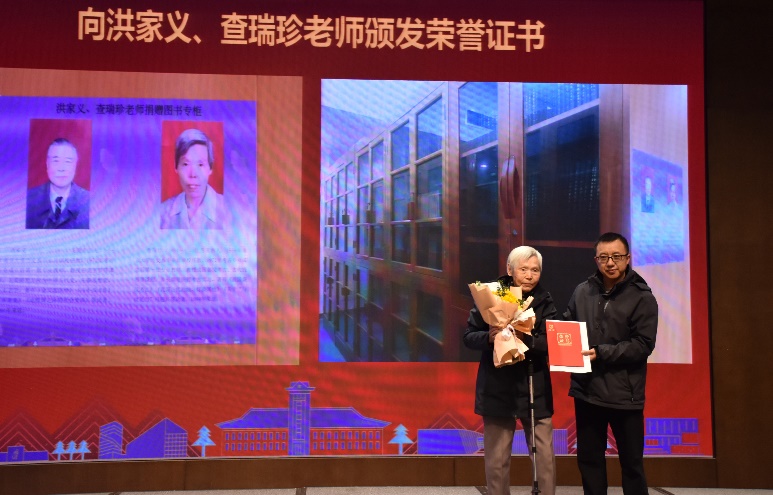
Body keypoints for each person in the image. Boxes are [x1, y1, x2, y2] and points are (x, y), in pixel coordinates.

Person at [563, 232, 658, 495]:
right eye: (604, 257)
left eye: (616, 256)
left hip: (625, 394)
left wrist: (601, 353)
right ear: (596, 260)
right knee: (589, 460)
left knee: (632, 464)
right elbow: (567, 325)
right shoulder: (582, 291)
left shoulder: (642, 296)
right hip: (587, 390)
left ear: (628, 258)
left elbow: (643, 345)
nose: (610, 263)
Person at [463, 246, 558, 495]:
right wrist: (489, 337)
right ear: (509, 270)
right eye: (523, 269)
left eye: (535, 270)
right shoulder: (491, 296)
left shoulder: (545, 300)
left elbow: (553, 342)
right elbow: (469, 337)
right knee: (497, 460)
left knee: (544, 458)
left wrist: (527, 339)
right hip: (498, 387)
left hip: (534, 386)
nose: (529, 275)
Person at [160, 128, 225, 229]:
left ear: (210, 168)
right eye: (186, 164)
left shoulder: (229, 209)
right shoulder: (163, 212)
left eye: (200, 164)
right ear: (176, 167)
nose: (193, 174)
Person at [26, 138, 90, 229]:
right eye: (56, 161)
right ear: (47, 164)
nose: (61, 168)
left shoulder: (88, 201)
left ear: (75, 165)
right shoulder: (29, 199)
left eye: (68, 161)